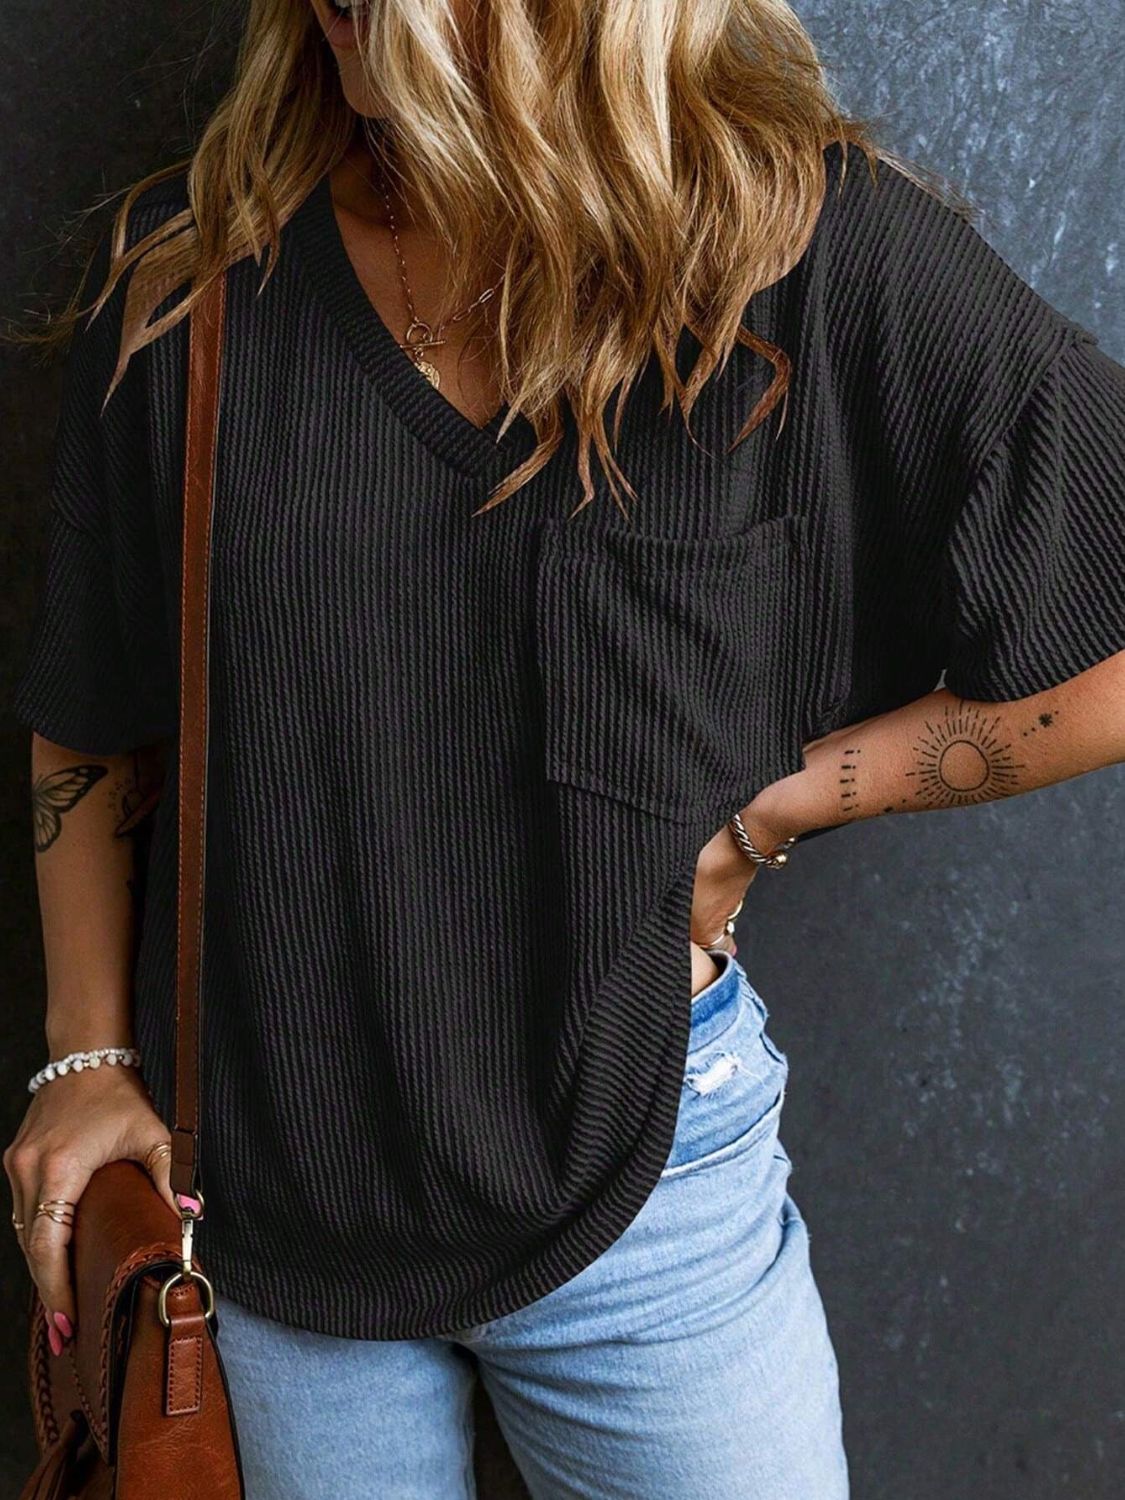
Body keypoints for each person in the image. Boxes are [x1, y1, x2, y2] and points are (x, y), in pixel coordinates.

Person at [6, 1, 1125, 1495]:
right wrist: (85, 1054)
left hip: (649, 1175)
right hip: (268, 1212)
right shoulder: (199, 279)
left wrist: (775, 811)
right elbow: (92, 711)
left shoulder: (797, 248)